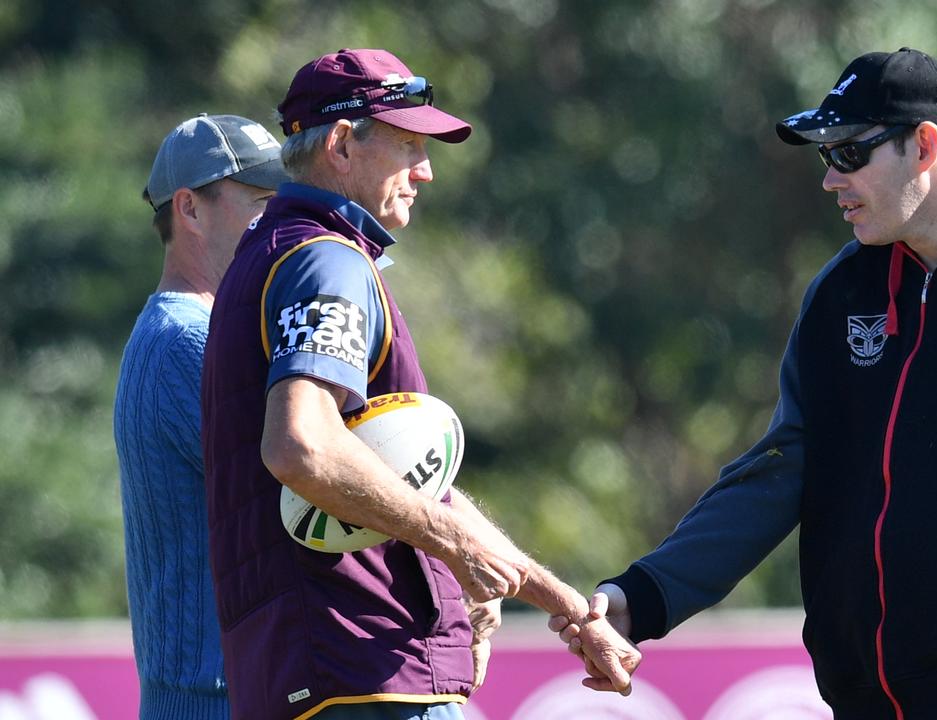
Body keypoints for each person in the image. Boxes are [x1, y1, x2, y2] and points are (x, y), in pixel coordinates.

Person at [555, 47, 937, 720]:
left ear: (924, 145)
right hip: (863, 701)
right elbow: (779, 472)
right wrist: (645, 594)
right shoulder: (843, 288)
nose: (831, 180)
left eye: (848, 153)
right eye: (824, 157)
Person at [200, 48, 639, 720]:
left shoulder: (267, 254)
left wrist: (566, 607)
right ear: (342, 145)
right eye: (409, 145)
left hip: (308, 672)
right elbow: (301, 447)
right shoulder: (327, 262)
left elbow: (390, 472)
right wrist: (452, 544)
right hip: (366, 667)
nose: (426, 171)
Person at [114, 113, 290, 719]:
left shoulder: (191, 332)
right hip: (211, 703)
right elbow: (314, 499)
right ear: (188, 209)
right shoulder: (187, 341)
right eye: (262, 200)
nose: (279, 220)